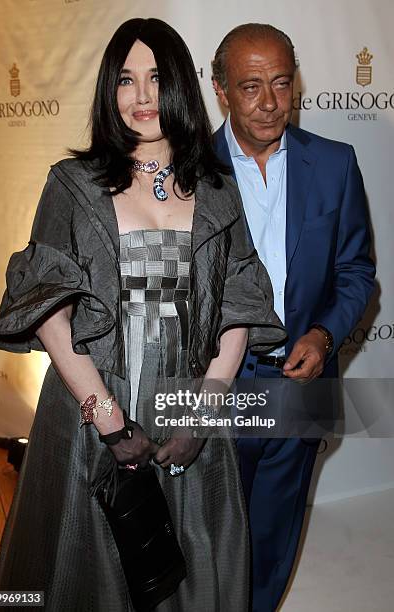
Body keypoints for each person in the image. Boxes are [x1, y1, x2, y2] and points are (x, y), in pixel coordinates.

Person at [0, 18, 286, 612]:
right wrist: (109, 420)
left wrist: (204, 413)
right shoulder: (71, 184)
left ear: (181, 86)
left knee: (193, 572)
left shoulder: (217, 188)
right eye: (126, 80)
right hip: (90, 408)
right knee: (82, 577)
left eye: (156, 78)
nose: (142, 97)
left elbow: (236, 310)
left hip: (190, 404)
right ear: (108, 90)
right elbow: (51, 315)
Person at [212, 23, 375, 612]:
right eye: (250, 86)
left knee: (273, 538)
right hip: (215, 390)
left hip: (298, 384)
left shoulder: (334, 164)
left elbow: (357, 272)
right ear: (220, 90)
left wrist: (325, 334)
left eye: (282, 83)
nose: (270, 102)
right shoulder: (185, 173)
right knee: (206, 537)